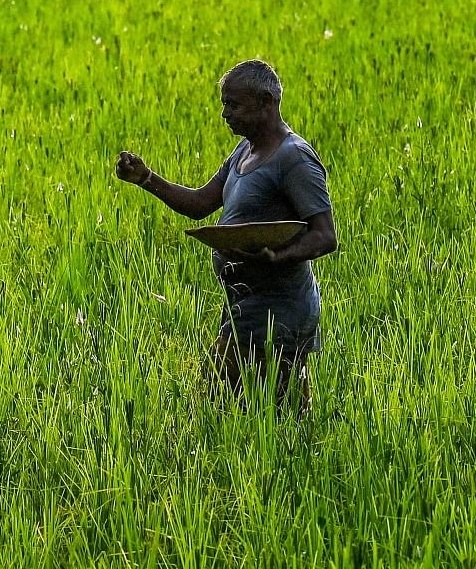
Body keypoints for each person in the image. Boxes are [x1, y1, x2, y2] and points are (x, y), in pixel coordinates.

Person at [114, 59, 338, 414]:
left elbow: (325, 236)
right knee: (229, 409)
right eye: (224, 104)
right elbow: (200, 204)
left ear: (267, 103)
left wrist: (278, 257)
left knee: (268, 414)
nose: (225, 114)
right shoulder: (244, 151)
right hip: (242, 307)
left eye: (234, 104)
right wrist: (146, 178)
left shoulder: (293, 159)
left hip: (278, 313)